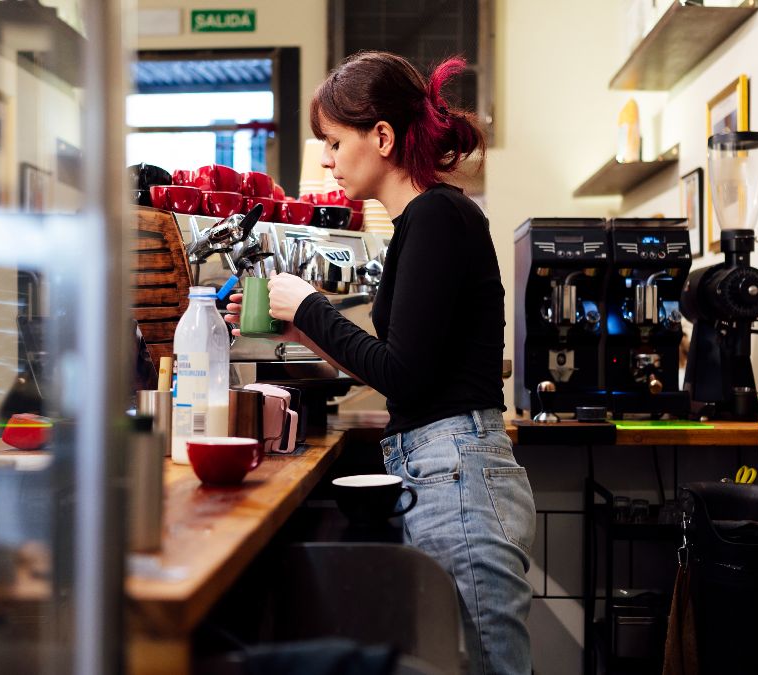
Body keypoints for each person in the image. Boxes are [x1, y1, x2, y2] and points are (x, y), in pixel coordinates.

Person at [225, 51, 536, 675]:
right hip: (446, 470)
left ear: (383, 138)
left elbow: (402, 375)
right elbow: (403, 371)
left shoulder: (438, 218)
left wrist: (311, 306)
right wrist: (300, 326)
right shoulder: (424, 222)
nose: (325, 159)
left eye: (334, 141)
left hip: (457, 475)